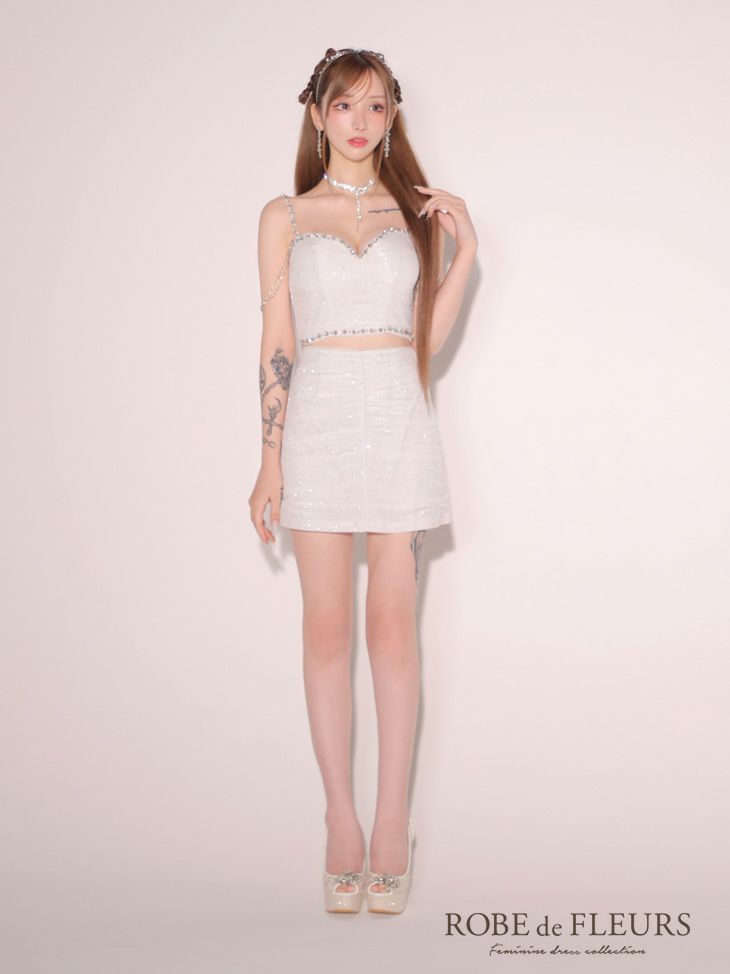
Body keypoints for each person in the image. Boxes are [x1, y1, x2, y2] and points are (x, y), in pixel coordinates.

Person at [249, 47, 478, 914]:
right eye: (344, 104)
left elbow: (428, 342)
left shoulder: (415, 212)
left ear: (391, 117)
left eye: (376, 106)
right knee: (326, 631)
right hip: (316, 426)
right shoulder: (284, 215)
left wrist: (465, 253)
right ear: (318, 114)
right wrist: (269, 457)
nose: (359, 121)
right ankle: (340, 820)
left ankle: (390, 824)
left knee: (393, 631)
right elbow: (277, 338)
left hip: (398, 420)